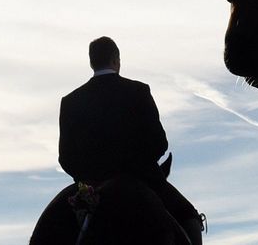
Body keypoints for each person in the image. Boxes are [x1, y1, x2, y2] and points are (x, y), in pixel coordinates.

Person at [59, 36, 203, 244]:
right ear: (116, 60)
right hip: (141, 179)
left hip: (89, 189)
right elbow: (159, 143)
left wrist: (88, 180)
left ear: (91, 62)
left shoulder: (70, 102)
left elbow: (66, 158)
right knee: (189, 217)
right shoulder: (139, 91)